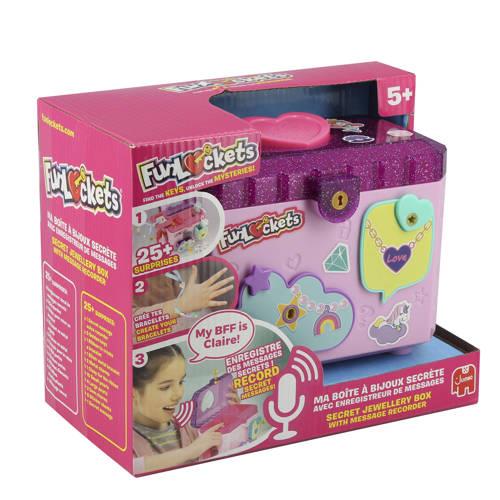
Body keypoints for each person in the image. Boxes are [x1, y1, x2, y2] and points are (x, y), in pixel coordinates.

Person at [133, 344, 238, 473]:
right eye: (165, 387)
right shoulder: (125, 440)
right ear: (133, 393)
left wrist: (231, 413)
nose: (178, 394)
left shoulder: (187, 429)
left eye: (181, 382)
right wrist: (190, 451)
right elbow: (135, 466)